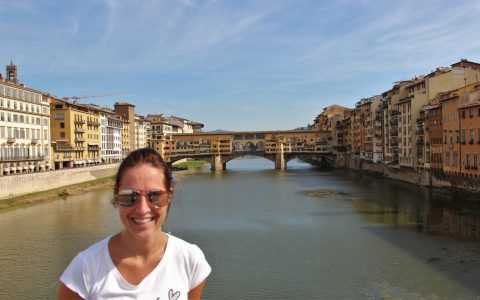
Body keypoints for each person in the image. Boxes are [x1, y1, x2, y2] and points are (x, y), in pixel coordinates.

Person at [57, 148, 211, 299]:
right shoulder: (84, 269)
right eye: (129, 196)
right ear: (117, 198)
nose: (142, 209)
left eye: (155, 195)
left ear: (169, 197)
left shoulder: (190, 260)